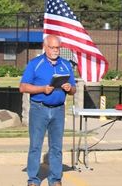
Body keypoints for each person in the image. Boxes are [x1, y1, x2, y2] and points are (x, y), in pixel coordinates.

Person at [19, 35, 76, 186]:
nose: (55, 51)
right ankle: (33, 179)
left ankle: (55, 179)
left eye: (57, 48)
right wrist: (43, 89)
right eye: (52, 47)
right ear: (45, 47)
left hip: (58, 110)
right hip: (39, 109)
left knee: (56, 147)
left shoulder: (65, 65)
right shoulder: (35, 64)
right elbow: (23, 87)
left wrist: (70, 88)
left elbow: (74, 89)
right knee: (35, 146)